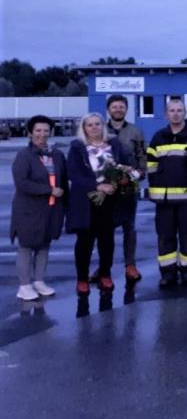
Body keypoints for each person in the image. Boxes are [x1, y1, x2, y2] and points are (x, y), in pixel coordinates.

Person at [146, 98, 187, 288]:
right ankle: (167, 273)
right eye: (172, 110)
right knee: (165, 236)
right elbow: (151, 165)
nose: (176, 114)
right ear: (166, 114)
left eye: (179, 110)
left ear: (185, 113)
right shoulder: (159, 137)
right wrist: (154, 188)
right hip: (164, 199)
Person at [67, 113, 132, 295]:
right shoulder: (77, 147)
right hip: (86, 200)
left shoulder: (114, 144)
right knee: (85, 241)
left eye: (97, 124)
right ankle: (82, 278)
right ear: (84, 128)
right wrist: (97, 186)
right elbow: (74, 173)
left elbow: (124, 164)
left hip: (110, 200)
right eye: (90, 125)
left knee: (107, 239)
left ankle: (105, 274)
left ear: (103, 126)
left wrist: (124, 177)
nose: (94, 127)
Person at [10, 115, 67, 300]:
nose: (42, 134)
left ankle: (39, 281)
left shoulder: (56, 154)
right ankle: (24, 285)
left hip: (51, 209)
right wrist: (49, 190)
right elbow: (22, 183)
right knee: (26, 247)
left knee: (44, 246)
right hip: (29, 210)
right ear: (30, 133)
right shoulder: (24, 156)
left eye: (46, 130)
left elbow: (63, 180)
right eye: (38, 130)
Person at [104, 94, 147, 284]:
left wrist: (140, 174)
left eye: (121, 107)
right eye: (114, 107)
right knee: (105, 228)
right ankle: (104, 267)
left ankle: (130, 265)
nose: (118, 110)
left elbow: (142, 155)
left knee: (129, 227)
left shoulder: (135, 131)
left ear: (126, 109)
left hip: (129, 186)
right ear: (109, 109)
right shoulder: (100, 130)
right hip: (105, 188)